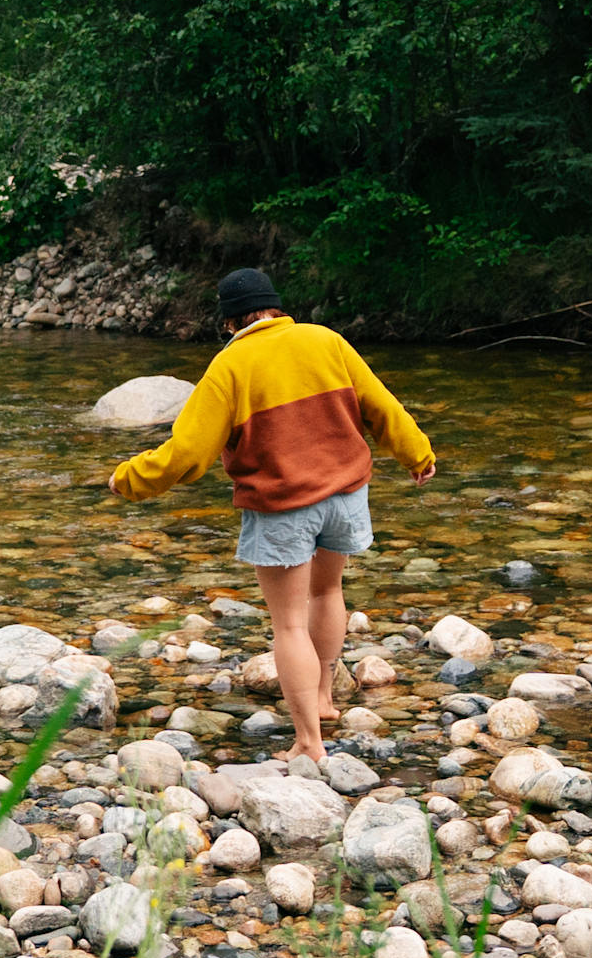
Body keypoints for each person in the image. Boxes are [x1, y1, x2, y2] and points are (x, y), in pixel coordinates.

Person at [106, 268, 433, 765]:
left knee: (288, 627)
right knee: (328, 591)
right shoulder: (326, 341)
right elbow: (380, 406)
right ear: (277, 309)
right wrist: (417, 453)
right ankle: (323, 697)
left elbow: (189, 453)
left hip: (283, 506)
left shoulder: (230, 365)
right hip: (346, 494)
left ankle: (308, 743)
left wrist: (129, 479)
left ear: (230, 322)